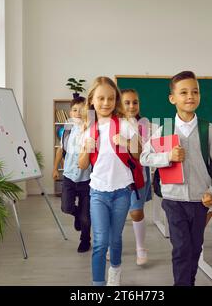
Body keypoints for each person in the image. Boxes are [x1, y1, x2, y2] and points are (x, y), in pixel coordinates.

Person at [140, 71, 212, 286]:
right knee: (181, 248)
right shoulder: (165, 129)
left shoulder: (209, 130)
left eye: (195, 91)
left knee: (195, 247)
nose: (190, 96)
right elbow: (144, 157)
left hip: (200, 200)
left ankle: (189, 282)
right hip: (173, 200)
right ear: (173, 99)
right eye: (184, 92)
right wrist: (167, 156)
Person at [78, 77, 142, 286]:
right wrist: (87, 148)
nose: (106, 103)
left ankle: (115, 271)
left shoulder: (124, 124)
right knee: (99, 242)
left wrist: (126, 142)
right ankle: (98, 284)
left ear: (116, 101)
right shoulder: (88, 128)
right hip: (97, 192)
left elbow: (138, 153)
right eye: (101, 98)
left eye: (111, 98)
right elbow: (81, 164)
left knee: (115, 239)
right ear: (92, 100)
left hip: (122, 191)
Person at [53, 97, 91, 253]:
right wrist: (55, 168)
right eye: (75, 110)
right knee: (66, 207)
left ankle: (85, 240)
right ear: (70, 112)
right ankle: (76, 214)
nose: (78, 113)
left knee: (86, 216)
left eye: (82, 110)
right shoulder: (66, 129)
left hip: (87, 178)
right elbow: (60, 150)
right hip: (69, 176)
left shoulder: (92, 130)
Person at [120, 89, 152, 266]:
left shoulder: (143, 124)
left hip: (138, 173)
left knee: (136, 212)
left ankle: (141, 247)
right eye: (127, 102)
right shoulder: (113, 123)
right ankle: (112, 244)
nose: (132, 106)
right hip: (118, 175)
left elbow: (140, 151)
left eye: (135, 102)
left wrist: (125, 141)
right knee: (116, 212)